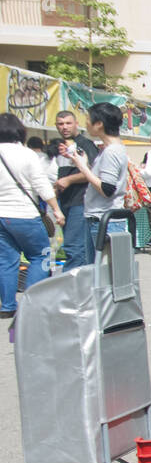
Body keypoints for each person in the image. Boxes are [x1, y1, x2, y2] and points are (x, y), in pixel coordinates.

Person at [0, 113, 65, 318]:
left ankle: (8, 306)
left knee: (6, 260)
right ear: (19, 130)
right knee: (40, 256)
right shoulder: (27, 154)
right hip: (25, 214)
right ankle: (31, 303)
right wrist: (56, 209)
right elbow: (41, 184)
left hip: (1, 216)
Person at [66, 102, 130, 241]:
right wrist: (86, 164)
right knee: (98, 263)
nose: (86, 124)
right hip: (101, 219)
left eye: (88, 120)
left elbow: (107, 189)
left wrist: (82, 167)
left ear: (99, 124)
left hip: (104, 221)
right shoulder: (110, 149)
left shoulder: (111, 151)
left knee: (103, 263)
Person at [47, 110, 98, 269]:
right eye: (61, 124)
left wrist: (69, 180)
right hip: (65, 202)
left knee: (74, 248)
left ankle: (73, 287)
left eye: (68, 123)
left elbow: (93, 172)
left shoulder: (85, 145)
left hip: (81, 202)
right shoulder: (58, 147)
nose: (64, 127)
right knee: (73, 247)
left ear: (77, 124)